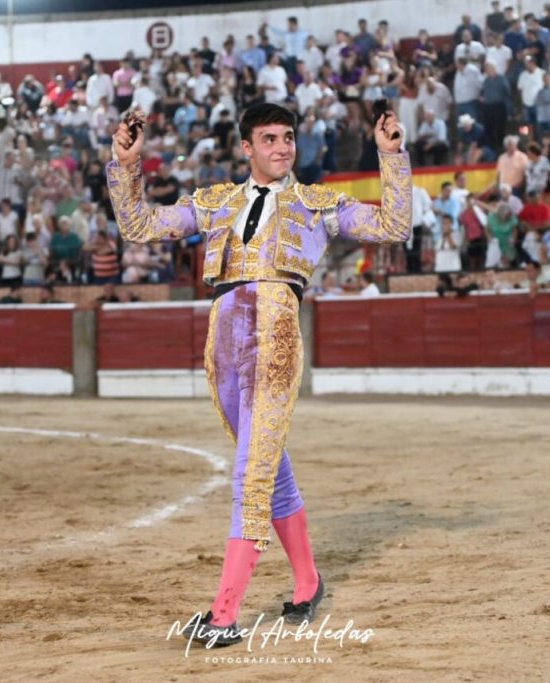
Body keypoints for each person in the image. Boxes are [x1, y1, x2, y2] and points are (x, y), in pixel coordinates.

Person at [107, 101, 411, 646]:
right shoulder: (216, 201)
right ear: (247, 147)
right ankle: (307, 581)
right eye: (269, 139)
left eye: (288, 137)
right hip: (223, 335)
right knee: (267, 462)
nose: (282, 147)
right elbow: (139, 225)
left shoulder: (318, 203)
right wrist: (127, 165)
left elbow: (394, 224)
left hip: (275, 334)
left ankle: (224, 615)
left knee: (251, 471)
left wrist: (391, 155)